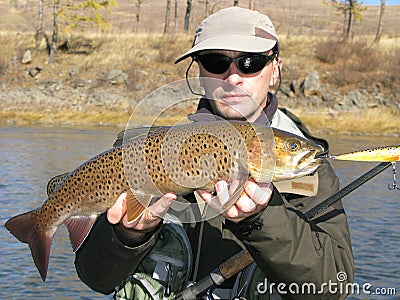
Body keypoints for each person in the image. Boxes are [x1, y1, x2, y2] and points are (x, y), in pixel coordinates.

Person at [74, 7, 354, 299]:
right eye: (215, 61)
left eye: (250, 62)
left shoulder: (311, 170)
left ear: (276, 69)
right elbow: (96, 279)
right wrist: (128, 236)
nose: (232, 77)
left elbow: (332, 287)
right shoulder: (156, 153)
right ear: (199, 72)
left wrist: (262, 220)